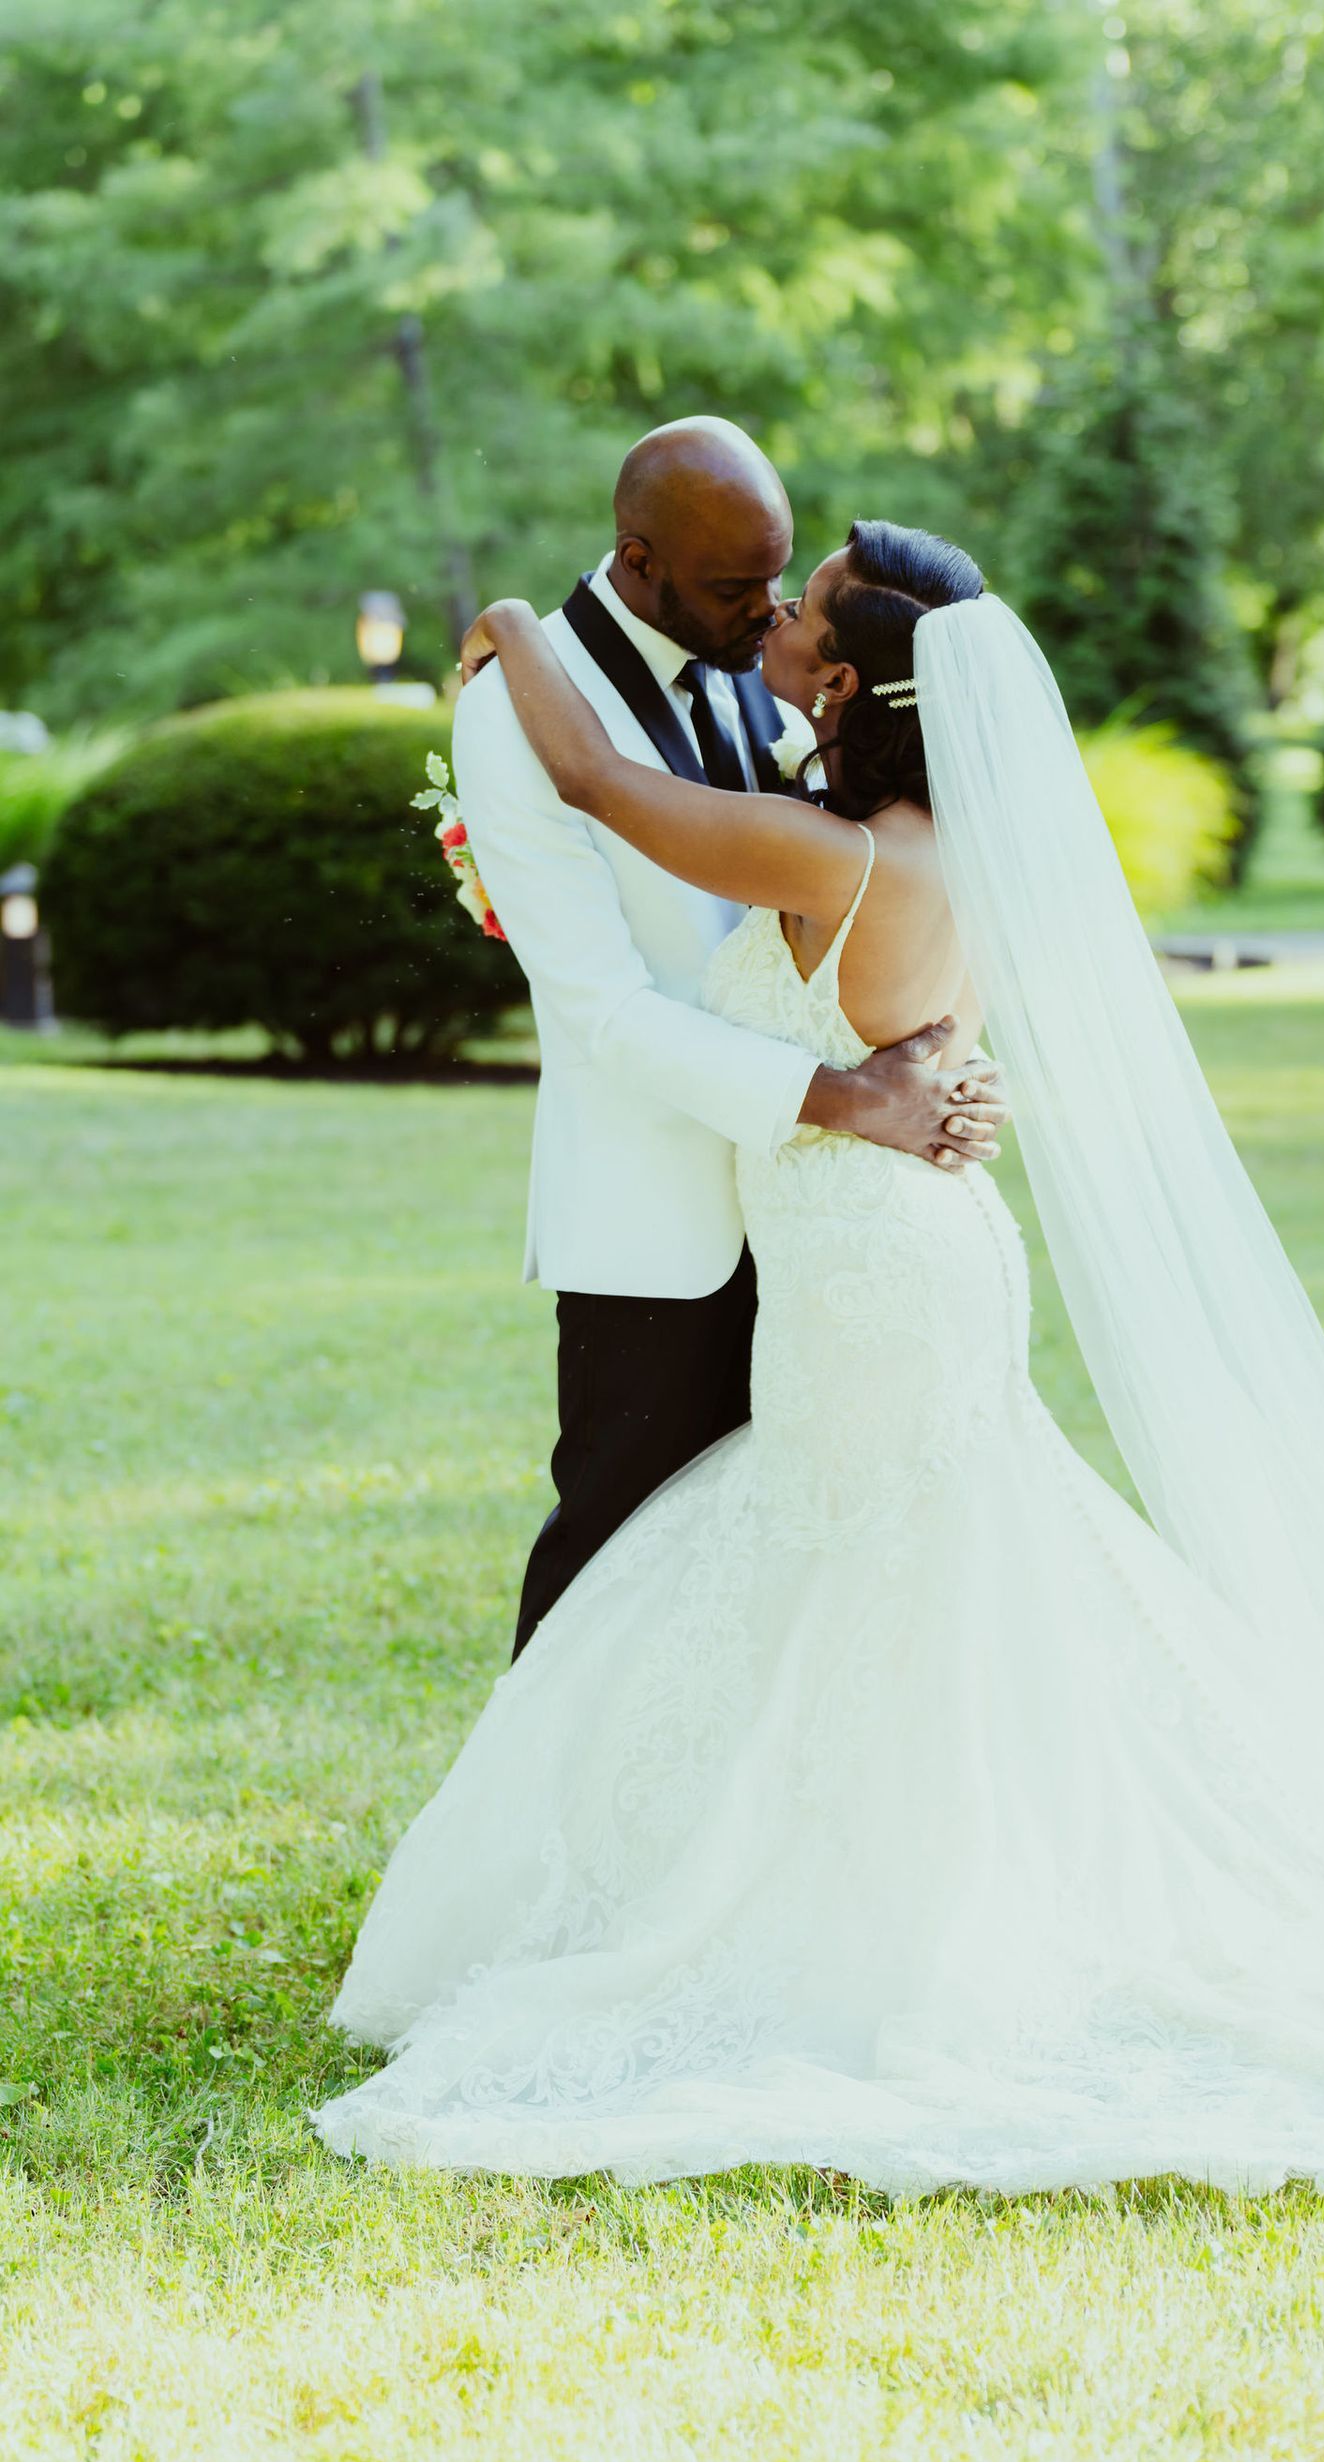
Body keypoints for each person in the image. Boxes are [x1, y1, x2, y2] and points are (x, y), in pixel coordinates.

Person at [315, 519, 1324, 2215]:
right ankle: (875, 1879)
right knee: (917, 1579)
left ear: (850, 683)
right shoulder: (933, 846)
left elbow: (599, 783)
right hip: (907, 1259)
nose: (778, 616)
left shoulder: (833, 858)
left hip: (875, 1274)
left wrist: (497, 612)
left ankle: (866, 1921)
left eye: (813, 604)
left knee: (875, 1584)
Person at [449, 417, 1006, 1656]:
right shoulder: (519, 720)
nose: (767, 616)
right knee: (613, 1570)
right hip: (664, 1226)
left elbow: (880, 915)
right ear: (638, 561)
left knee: (817, 1587)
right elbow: (599, 1011)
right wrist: (854, 1097)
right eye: (733, 587)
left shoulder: (788, 686)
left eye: (780, 580)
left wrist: (943, 1066)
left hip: (830, 1242)